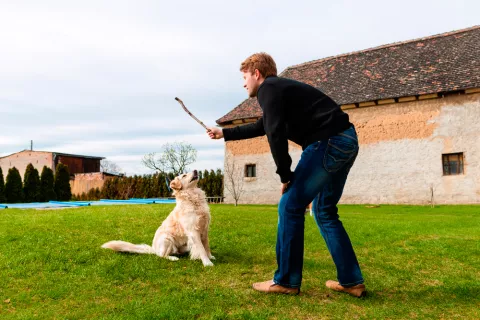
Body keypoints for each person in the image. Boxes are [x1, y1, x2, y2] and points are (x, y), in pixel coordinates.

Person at [207, 52, 365, 297]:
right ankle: (351, 281)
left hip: (327, 142)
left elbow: (274, 132)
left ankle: (286, 281)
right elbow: (264, 125)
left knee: (290, 205)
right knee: (324, 212)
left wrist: (285, 175)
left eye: (245, 76)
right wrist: (224, 133)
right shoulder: (279, 91)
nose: (244, 83)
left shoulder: (268, 88)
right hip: (346, 140)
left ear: (257, 73)